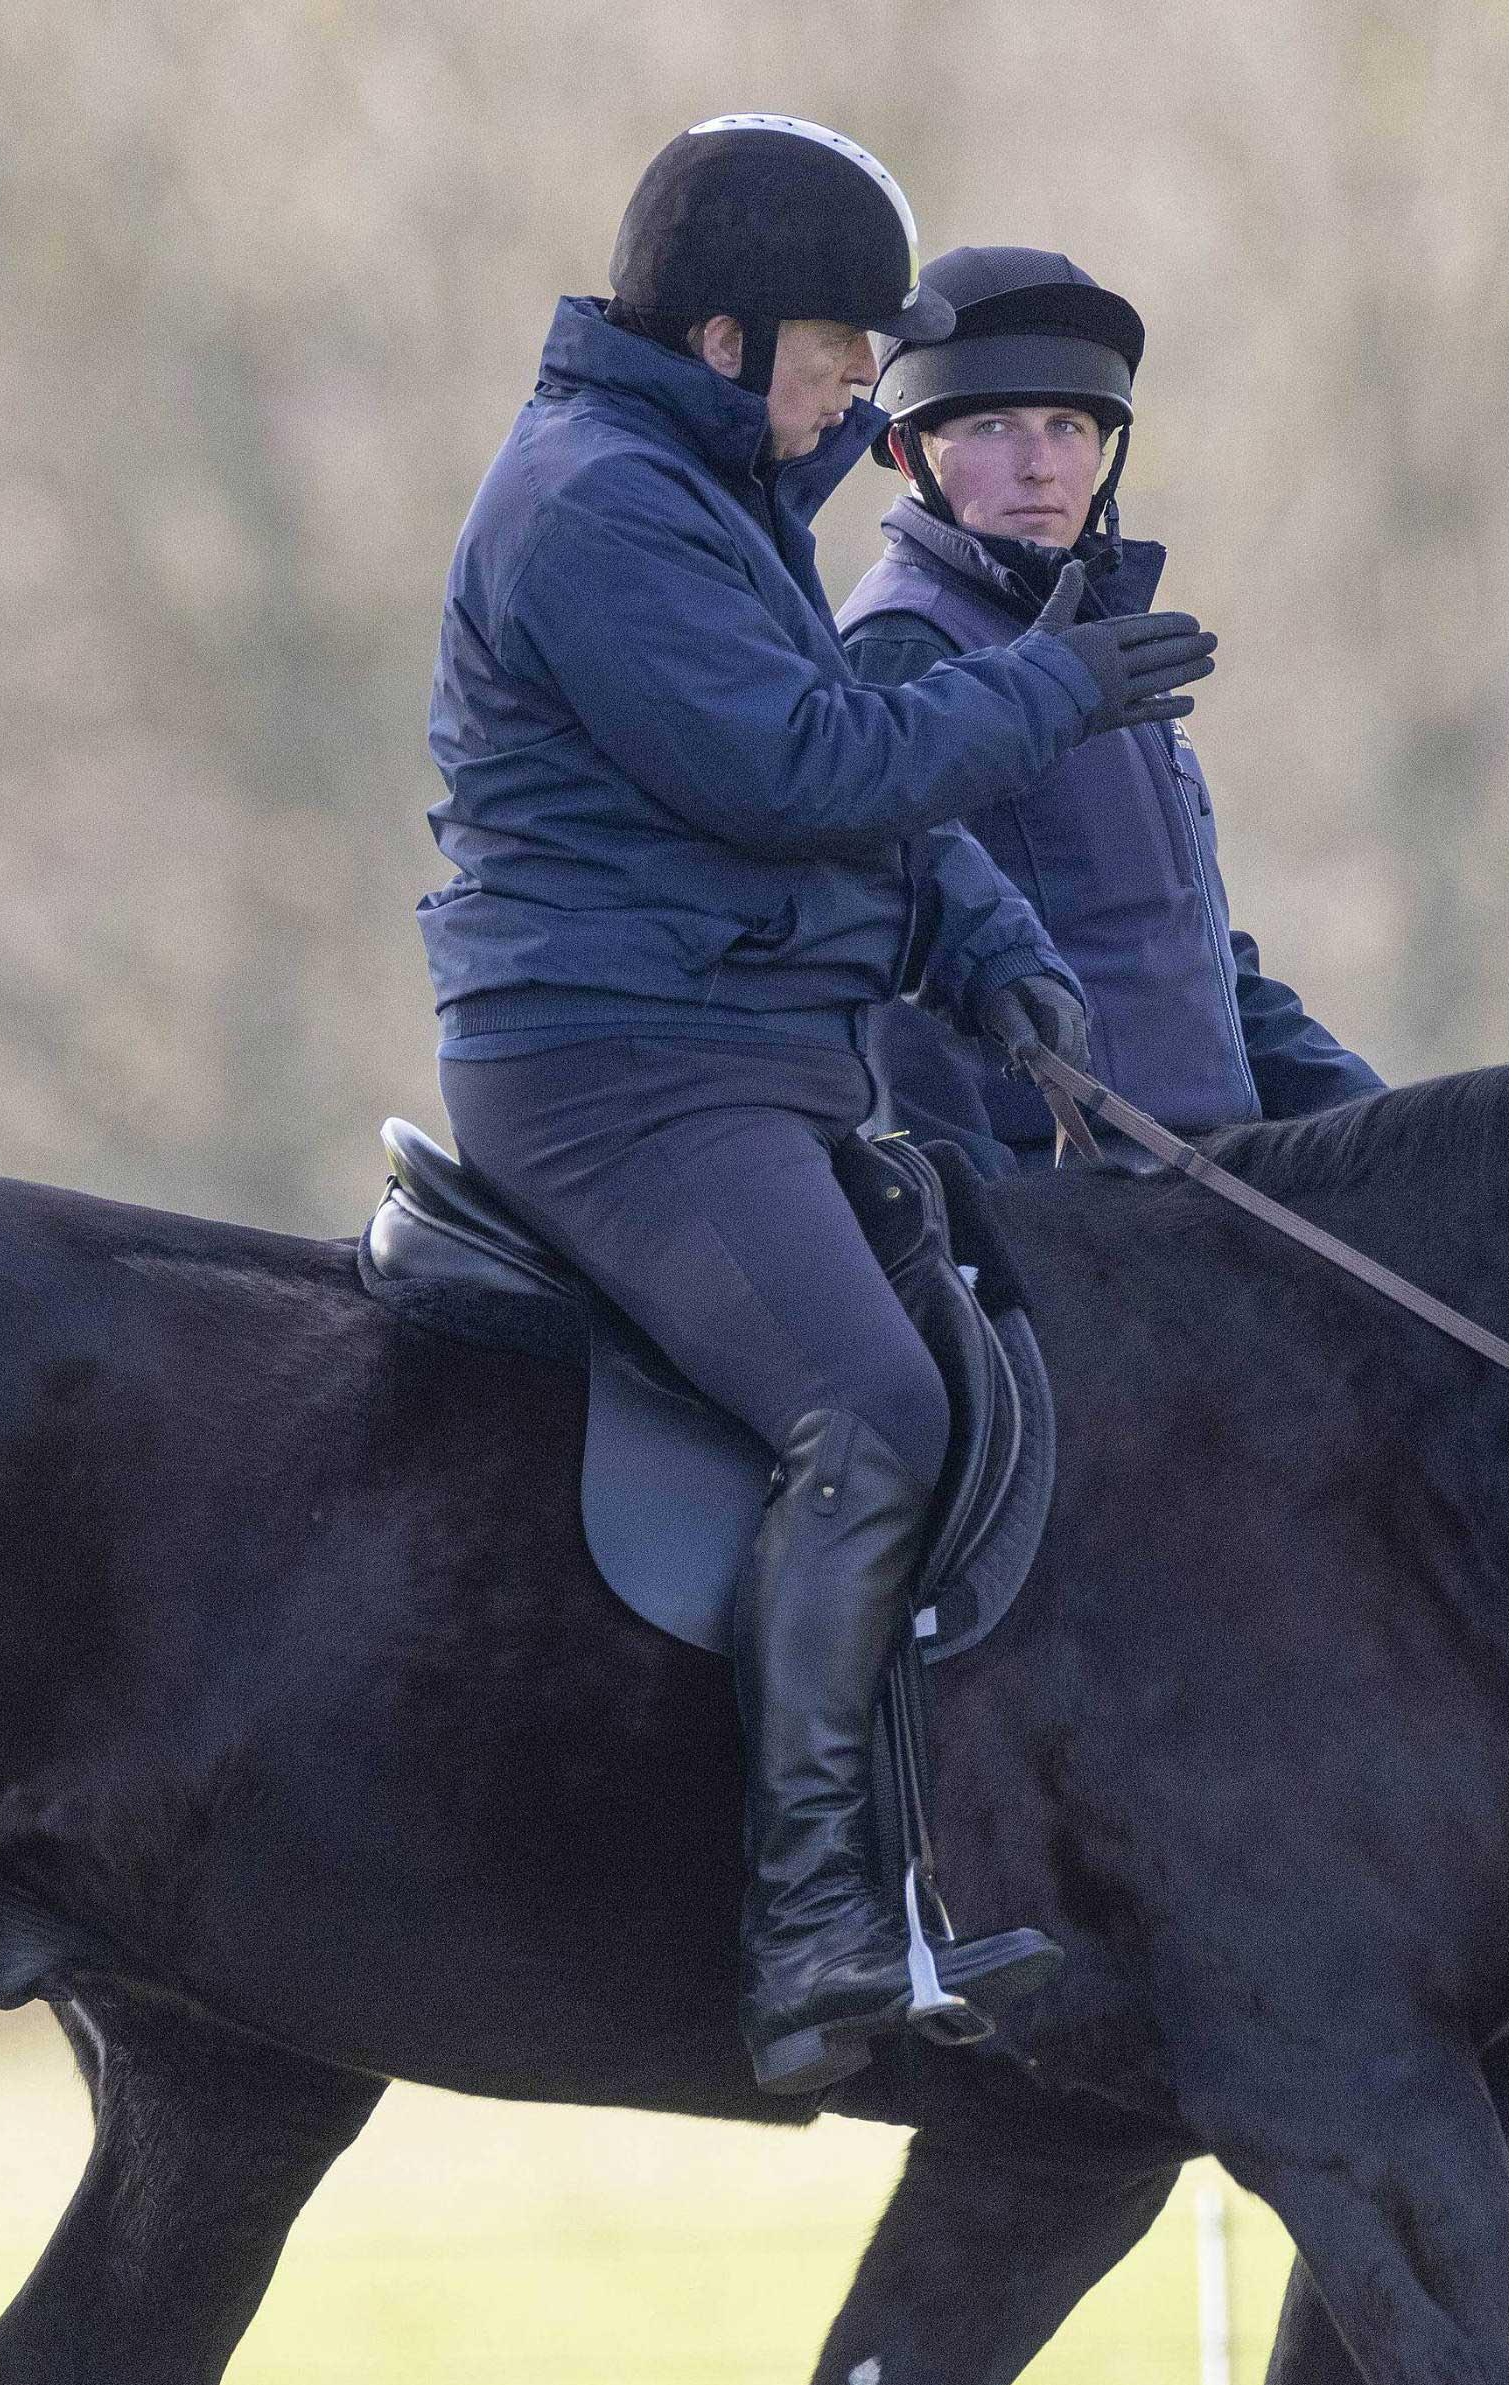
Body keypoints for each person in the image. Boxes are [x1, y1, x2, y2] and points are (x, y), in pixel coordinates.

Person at [420, 118, 1219, 2093]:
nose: (862, 391)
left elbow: (849, 768)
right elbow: (781, 769)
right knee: (869, 1402)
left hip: (740, 1056)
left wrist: (985, 931)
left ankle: (944, 1852)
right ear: (719, 335)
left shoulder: (702, 493)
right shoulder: (592, 505)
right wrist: (1057, 691)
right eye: (838, 354)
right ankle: (809, 1932)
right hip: (616, 1068)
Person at [840, 248, 1383, 1170]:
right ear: (907, 452)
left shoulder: (1096, 647)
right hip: (1055, 1192)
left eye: (1068, 426)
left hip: (1193, 1169)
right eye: (994, 426)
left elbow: (1186, 957)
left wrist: (1380, 1122)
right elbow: (903, 947)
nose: (1040, 467)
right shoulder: (901, 643)